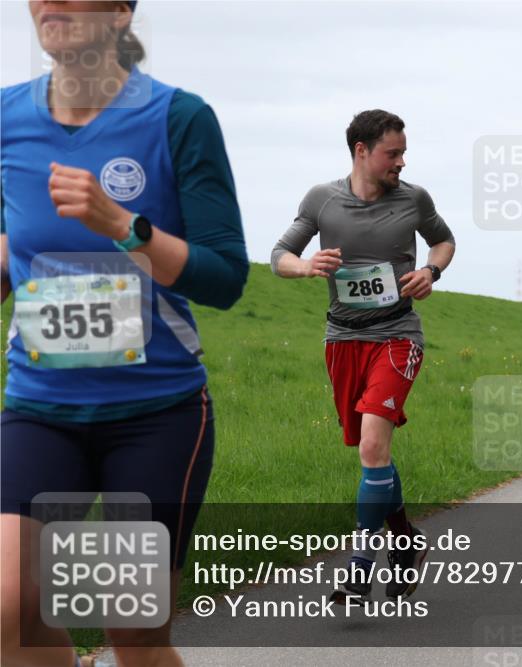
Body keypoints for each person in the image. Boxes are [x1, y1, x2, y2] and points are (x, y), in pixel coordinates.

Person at [1, 3, 249, 666]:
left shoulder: (178, 117)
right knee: (8, 606)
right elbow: (13, 244)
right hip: (38, 406)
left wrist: (125, 226)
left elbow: (226, 278)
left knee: (131, 630)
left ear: (119, 12)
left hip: (157, 413)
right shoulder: (5, 118)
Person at [271, 109, 455, 604]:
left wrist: (431, 272)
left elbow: (443, 241)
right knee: (369, 453)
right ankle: (407, 541)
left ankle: (360, 565)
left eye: (403, 153)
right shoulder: (322, 200)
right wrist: (307, 266)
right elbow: (278, 256)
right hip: (342, 339)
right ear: (361, 151)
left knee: (374, 446)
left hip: (398, 335)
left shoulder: (414, 199)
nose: (401, 162)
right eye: (392, 154)